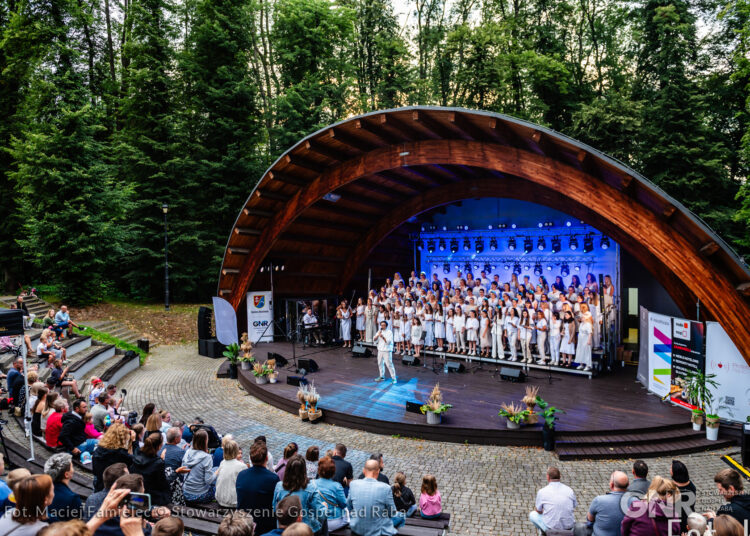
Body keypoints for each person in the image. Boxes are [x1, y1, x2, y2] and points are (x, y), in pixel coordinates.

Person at [272, 455, 325, 535]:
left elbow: (275, 508)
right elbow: (320, 514)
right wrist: (324, 507)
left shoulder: (279, 486)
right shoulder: (311, 487)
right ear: (304, 470)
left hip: (284, 527)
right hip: (305, 530)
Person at [347, 459, 401, 536]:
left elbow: (348, 507)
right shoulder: (386, 488)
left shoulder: (353, 484)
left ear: (363, 470)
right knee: (400, 516)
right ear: (378, 471)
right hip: (376, 531)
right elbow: (392, 512)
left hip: (357, 528)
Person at [236, 440, 280, 535]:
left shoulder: (241, 475)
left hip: (243, 520)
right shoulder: (273, 479)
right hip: (264, 524)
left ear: (251, 459)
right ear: (266, 458)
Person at [529, 467, 577, 534]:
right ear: (560, 477)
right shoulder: (570, 490)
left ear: (548, 477)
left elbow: (538, 511)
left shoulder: (542, 492)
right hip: (569, 528)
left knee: (532, 515)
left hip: (551, 528)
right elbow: (574, 506)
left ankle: (544, 532)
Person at [92, 422, 135, 492]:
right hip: (114, 487)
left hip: (99, 484)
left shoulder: (99, 450)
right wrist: (133, 441)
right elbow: (136, 461)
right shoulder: (121, 454)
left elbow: (95, 471)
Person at [132, 431, 171, 506]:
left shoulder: (137, 454)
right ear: (160, 446)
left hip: (137, 491)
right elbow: (162, 483)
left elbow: (136, 448)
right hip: (150, 497)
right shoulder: (158, 463)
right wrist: (161, 460)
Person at [586, 470, 629, 536]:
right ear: (628, 485)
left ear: (611, 485)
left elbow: (590, 519)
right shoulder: (635, 502)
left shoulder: (599, 500)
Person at [182, 429, 218, 503]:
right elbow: (209, 480)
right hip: (199, 495)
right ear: (205, 441)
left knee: (214, 470)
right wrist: (218, 471)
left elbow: (183, 472)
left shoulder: (187, 452)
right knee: (217, 470)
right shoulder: (207, 457)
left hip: (185, 492)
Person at [45, 452, 83, 522]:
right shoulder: (73, 498)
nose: (73, 469)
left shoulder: (42, 489)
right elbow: (77, 525)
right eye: (72, 466)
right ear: (67, 474)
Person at [315, 456, 348, 532]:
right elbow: (343, 504)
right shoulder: (337, 486)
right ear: (333, 472)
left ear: (319, 470)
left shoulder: (311, 484)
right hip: (332, 521)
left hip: (315, 519)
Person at [216, 439, 248, 508]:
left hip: (220, 500)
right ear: (236, 451)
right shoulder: (242, 466)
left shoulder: (222, 463)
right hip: (233, 503)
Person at [671, 460, 696, 532]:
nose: (670, 470)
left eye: (671, 469)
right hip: (689, 519)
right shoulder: (691, 486)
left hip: (677, 522)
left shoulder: (672, 490)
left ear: (674, 473)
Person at [374, 320, 397, 384]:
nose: (382, 326)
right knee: (380, 363)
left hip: (387, 350)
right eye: (381, 325)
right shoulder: (379, 331)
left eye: (383, 325)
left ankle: (394, 378)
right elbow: (374, 339)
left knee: (389, 364)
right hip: (380, 350)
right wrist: (377, 336)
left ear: (386, 326)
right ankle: (382, 376)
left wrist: (382, 336)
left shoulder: (389, 332)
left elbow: (388, 342)